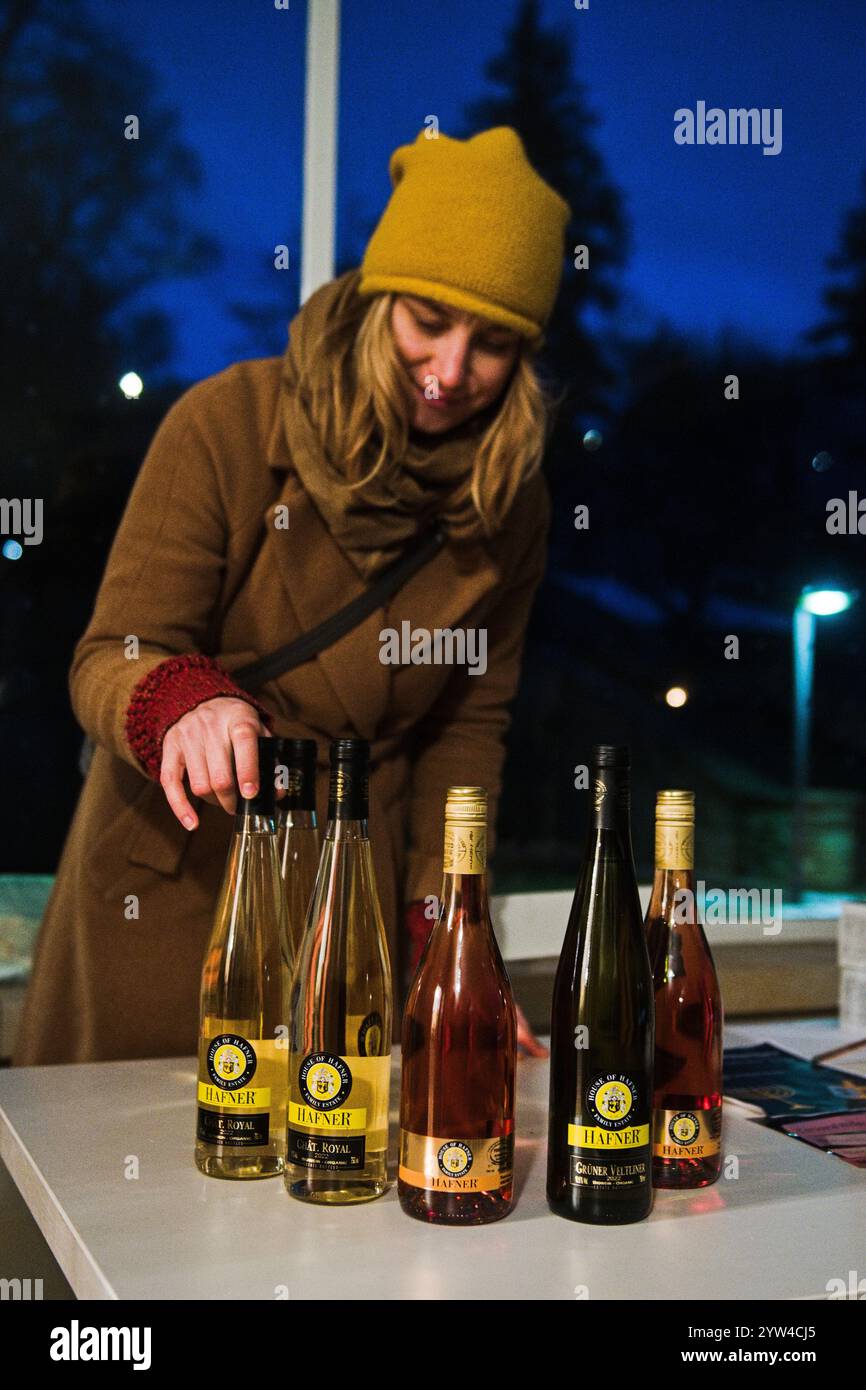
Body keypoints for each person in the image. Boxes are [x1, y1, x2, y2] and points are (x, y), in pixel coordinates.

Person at [13, 126, 570, 1067]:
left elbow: (468, 731)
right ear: (377, 296)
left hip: (353, 886)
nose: (448, 371)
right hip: (177, 874)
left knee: (332, 1179)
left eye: (492, 345)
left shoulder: (511, 503)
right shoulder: (227, 422)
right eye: (428, 320)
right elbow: (112, 656)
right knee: (132, 1183)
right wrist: (185, 701)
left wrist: (445, 928)